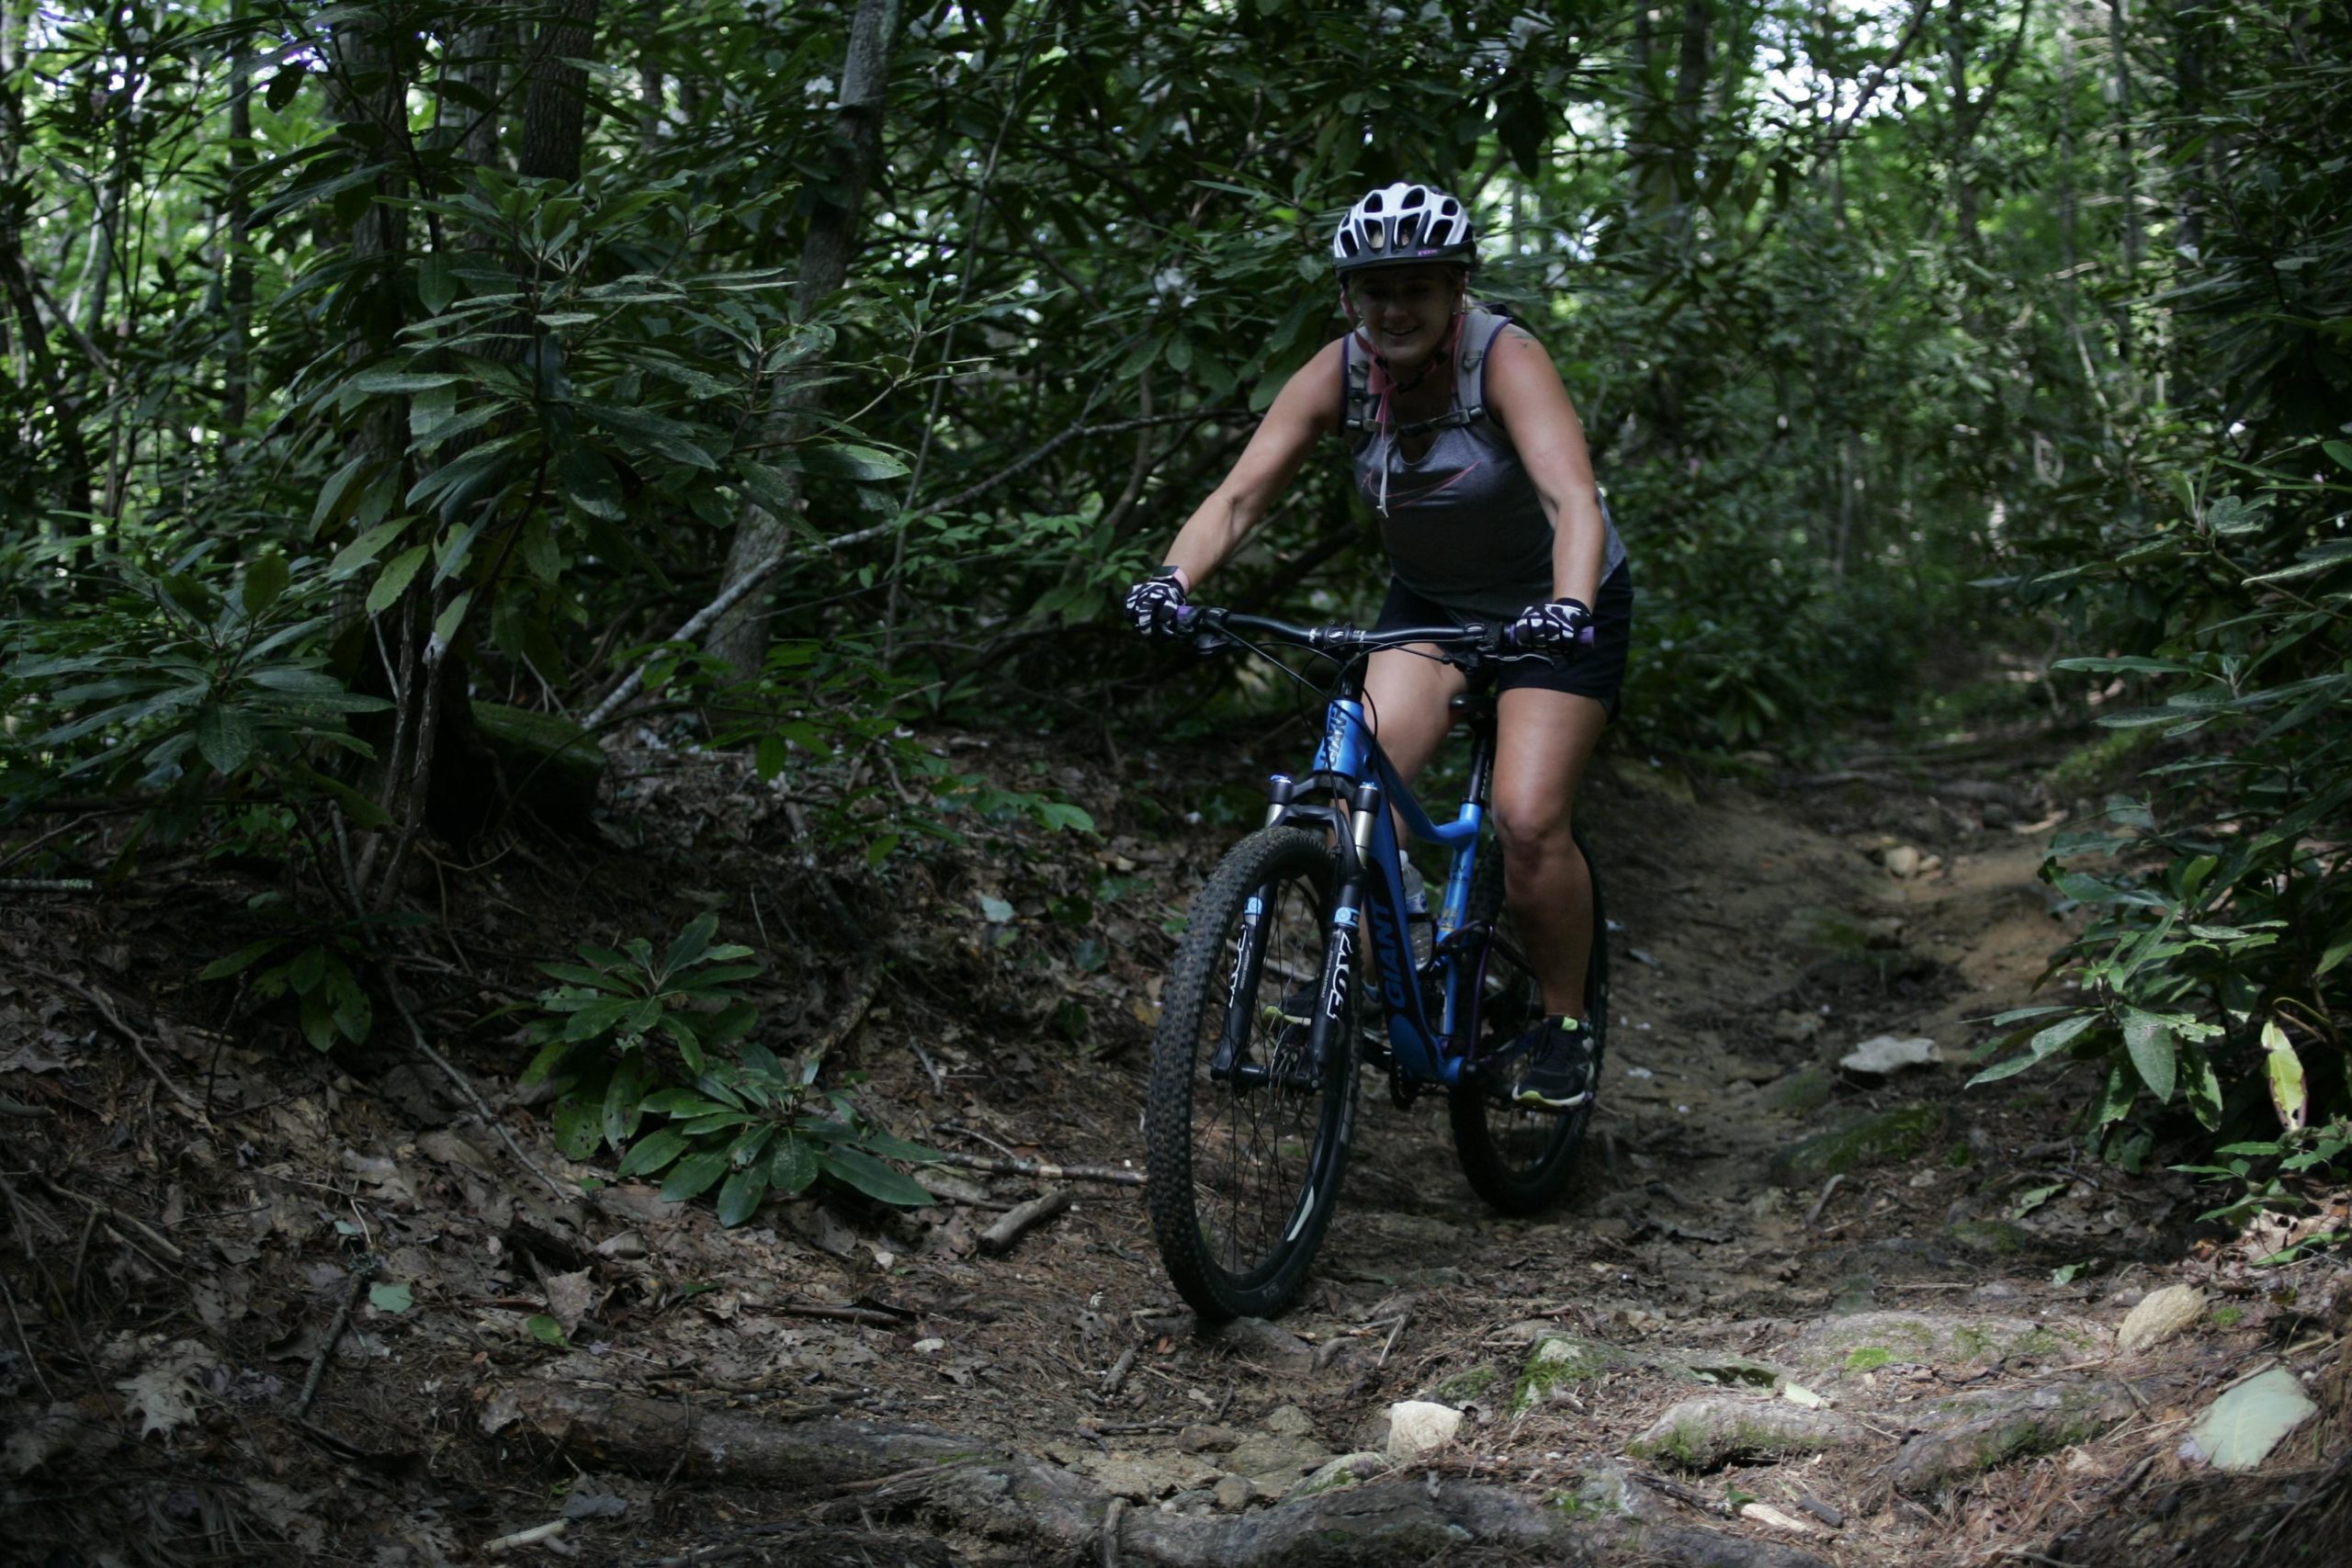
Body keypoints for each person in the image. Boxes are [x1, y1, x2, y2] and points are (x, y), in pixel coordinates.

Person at [1121, 181, 1632, 1111]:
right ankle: (1366, 974)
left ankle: (1563, 1023)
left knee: (1523, 819)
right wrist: (1174, 581)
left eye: (1418, 288)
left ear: (1456, 291)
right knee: (1358, 794)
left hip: (1554, 598)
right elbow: (1239, 497)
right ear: (1348, 295)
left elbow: (1568, 499)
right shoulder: (1340, 370)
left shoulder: (1504, 360)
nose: (1394, 308)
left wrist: (1565, 605)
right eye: (1375, 289)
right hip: (1432, 604)